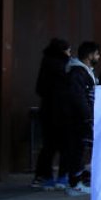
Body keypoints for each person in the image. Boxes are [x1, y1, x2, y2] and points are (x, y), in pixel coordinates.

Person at [61, 41, 100, 196]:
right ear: (90, 55)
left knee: (80, 149)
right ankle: (74, 184)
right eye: (97, 53)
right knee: (77, 149)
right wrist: (87, 116)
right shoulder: (78, 73)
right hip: (78, 119)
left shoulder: (83, 71)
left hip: (81, 117)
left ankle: (77, 181)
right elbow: (78, 97)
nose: (98, 56)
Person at [32, 38, 71, 190]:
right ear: (63, 51)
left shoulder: (46, 63)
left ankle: (45, 176)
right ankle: (62, 177)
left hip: (47, 110)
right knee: (66, 146)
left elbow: (39, 88)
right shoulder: (65, 66)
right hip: (63, 111)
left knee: (48, 146)